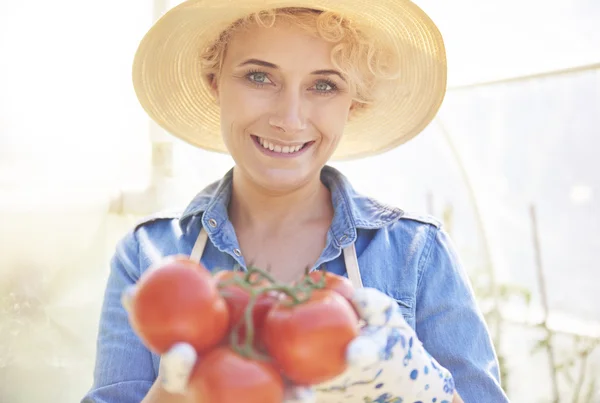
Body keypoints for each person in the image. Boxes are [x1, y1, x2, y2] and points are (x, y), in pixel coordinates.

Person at [82, 0, 510, 402]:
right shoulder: (148, 254)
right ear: (215, 84)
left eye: (324, 85)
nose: (289, 119)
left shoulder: (417, 254)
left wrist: (428, 392)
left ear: (353, 104)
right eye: (259, 76)